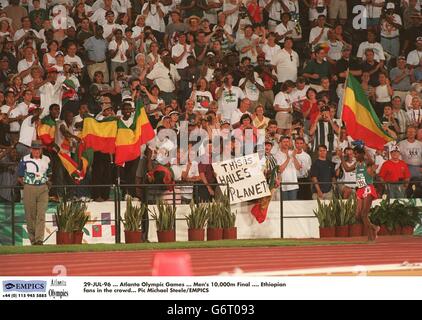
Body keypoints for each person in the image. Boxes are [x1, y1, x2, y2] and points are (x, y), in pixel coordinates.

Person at [17, 140, 51, 245]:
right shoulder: (24, 159)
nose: (37, 151)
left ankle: (39, 240)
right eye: (35, 149)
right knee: (30, 215)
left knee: (41, 214)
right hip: (29, 188)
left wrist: (47, 184)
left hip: (43, 188)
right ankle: (33, 240)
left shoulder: (47, 159)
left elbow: (49, 173)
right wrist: (27, 185)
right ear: (31, 149)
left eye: (39, 149)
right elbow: (20, 177)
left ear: (41, 150)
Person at [352, 145, 380, 241]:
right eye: (354, 154)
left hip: (368, 188)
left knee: (364, 214)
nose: (354, 155)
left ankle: (370, 236)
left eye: (356, 154)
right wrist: (341, 157)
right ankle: (374, 228)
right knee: (358, 216)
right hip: (360, 189)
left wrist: (365, 151)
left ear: (361, 154)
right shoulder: (357, 164)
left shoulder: (366, 163)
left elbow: (371, 162)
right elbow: (347, 169)